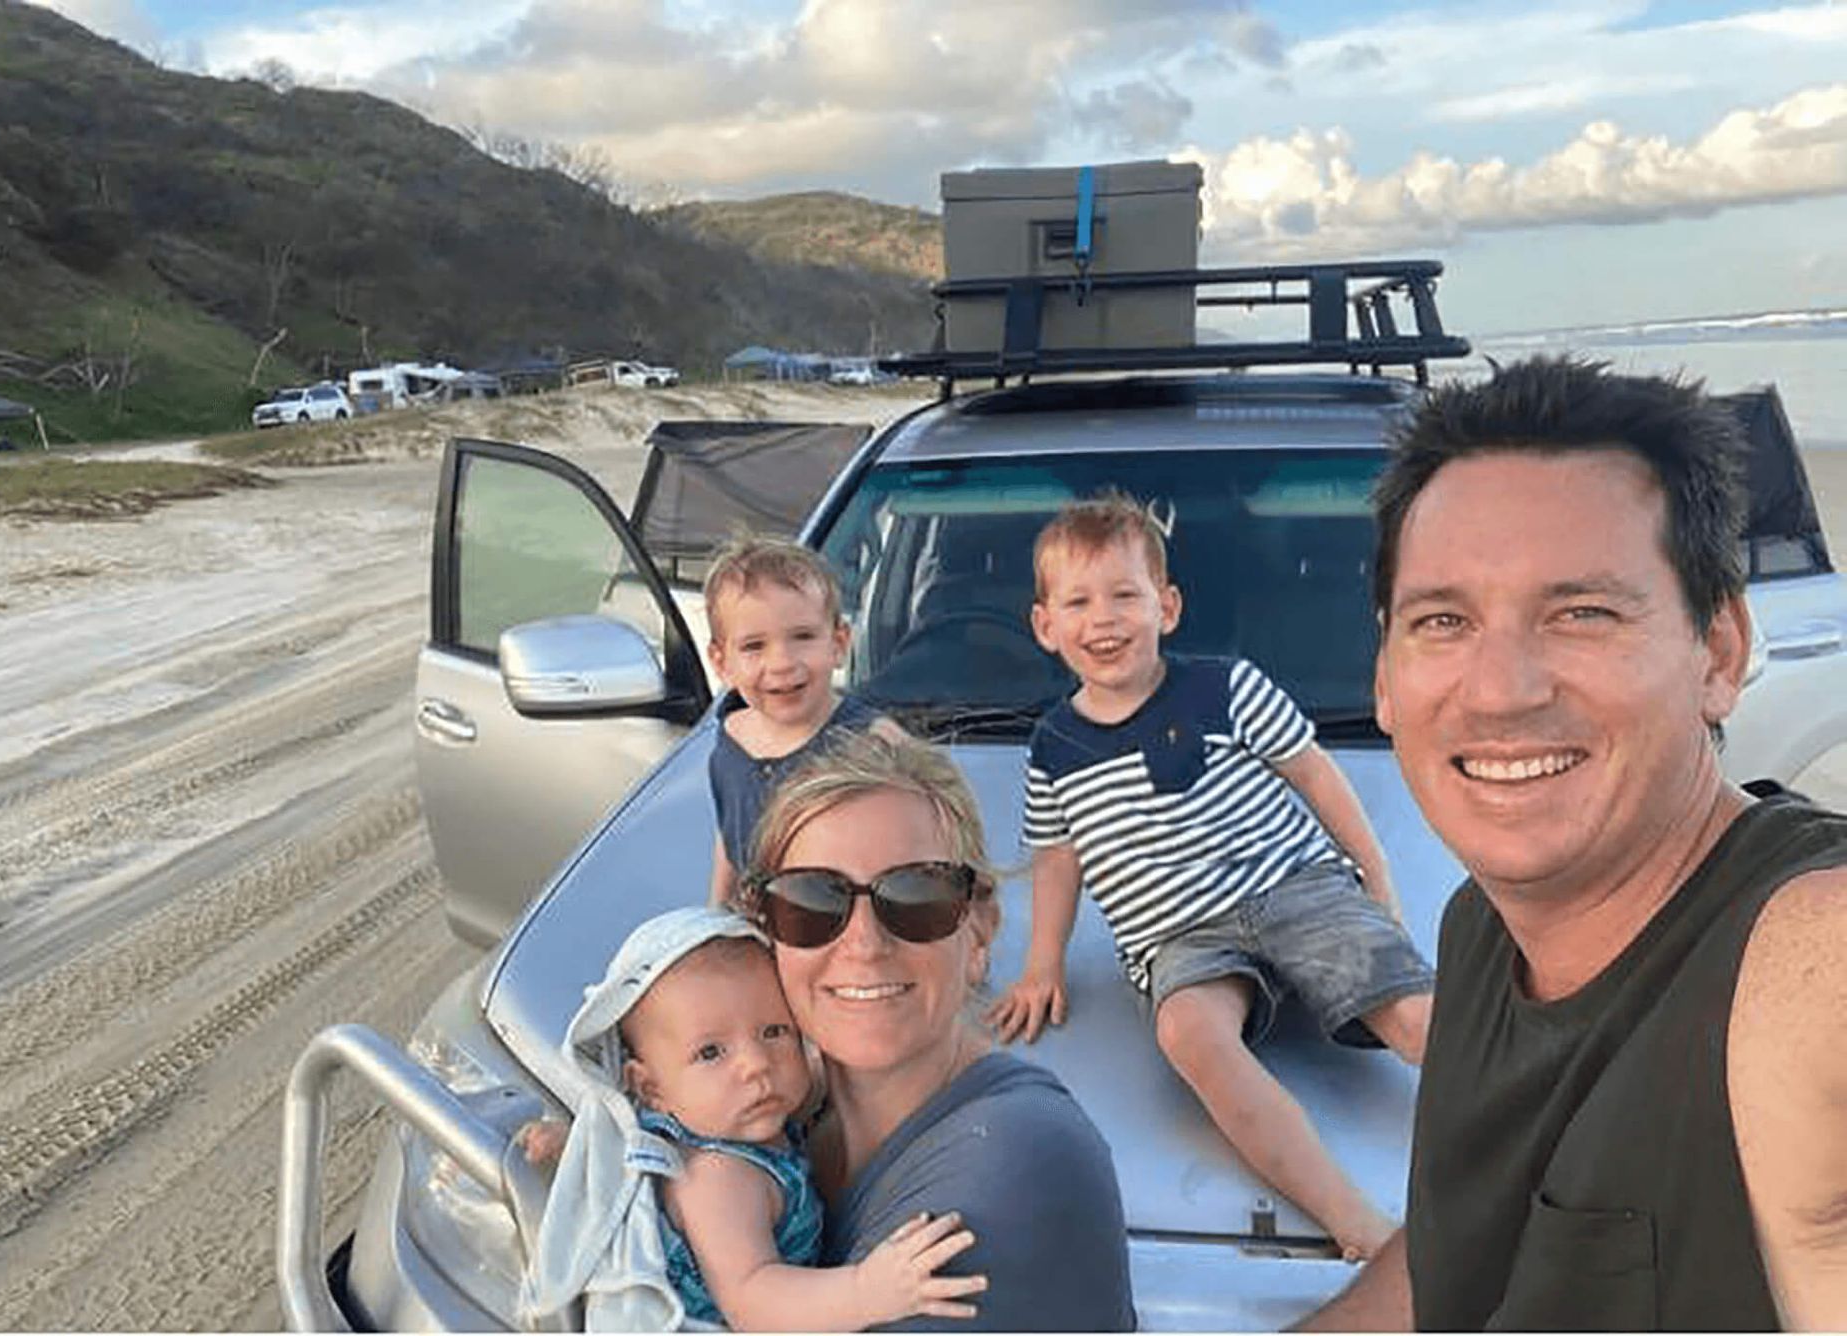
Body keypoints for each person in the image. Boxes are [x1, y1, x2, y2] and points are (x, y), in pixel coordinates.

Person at [1303, 355, 1847, 1331]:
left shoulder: (1798, 953)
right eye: (1444, 620)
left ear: (1720, 652)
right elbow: (1454, 1256)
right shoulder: (1479, 930)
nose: (1501, 690)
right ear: (1384, 675)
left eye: (1582, 613)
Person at [987, 495, 1435, 1261]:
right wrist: (1042, 964)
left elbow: (1314, 774)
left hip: (1295, 888)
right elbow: (1058, 858)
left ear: (1166, 607)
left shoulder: (1229, 687)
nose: (1104, 619)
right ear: (1045, 625)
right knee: (1187, 1034)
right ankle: (1354, 1220)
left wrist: (1375, 874)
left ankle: (1550, 1139)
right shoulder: (1054, 746)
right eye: (1078, 602)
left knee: (1414, 1012)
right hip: (1178, 938)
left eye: (1124, 595)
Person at [739, 728, 1136, 1331]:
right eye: (812, 902)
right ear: (768, 932)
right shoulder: (784, 1117)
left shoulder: (1016, 1162)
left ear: (979, 929)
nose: (864, 944)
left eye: (915, 895)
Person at [518, 914, 988, 1330]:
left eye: (774, 1031)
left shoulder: (734, 1112)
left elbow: (627, 1136)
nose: (756, 1064)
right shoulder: (718, 1178)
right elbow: (753, 1303)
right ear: (650, 1088)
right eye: (711, 1052)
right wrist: (867, 1290)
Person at [702, 535, 885, 906]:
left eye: (803, 636)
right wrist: (716, 914)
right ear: (721, 663)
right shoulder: (731, 738)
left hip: (837, 927)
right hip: (757, 927)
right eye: (754, 646)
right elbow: (730, 835)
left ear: (839, 643)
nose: (782, 663)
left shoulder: (873, 744)